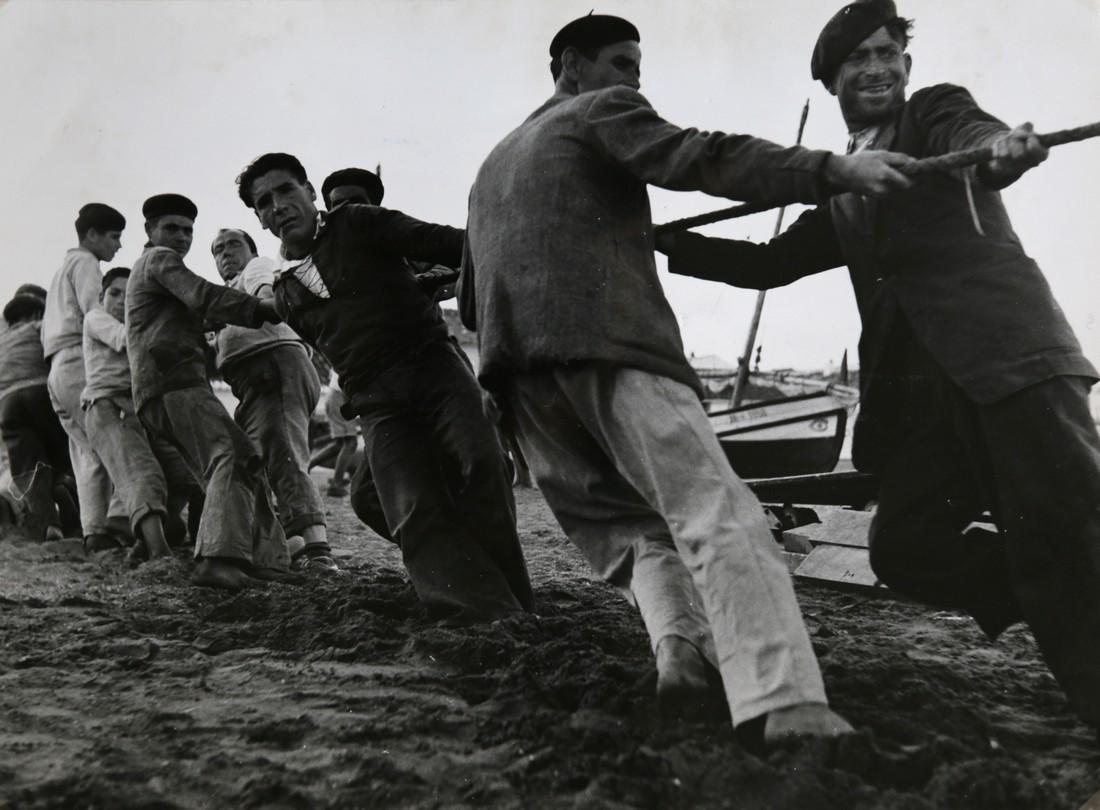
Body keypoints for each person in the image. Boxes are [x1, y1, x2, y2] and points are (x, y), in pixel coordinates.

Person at [460, 12, 916, 744]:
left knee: (635, 536)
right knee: (720, 515)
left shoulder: (491, 167)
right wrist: (831, 170)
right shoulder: (597, 110)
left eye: (638, 65)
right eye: (619, 62)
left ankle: (682, 653)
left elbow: (469, 295)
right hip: (608, 345)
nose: (633, 77)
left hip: (519, 381)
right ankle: (785, 704)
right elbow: (699, 157)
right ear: (571, 67)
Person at [657, 0, 1100, 730]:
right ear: (832, 81)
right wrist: (664, 241)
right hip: (929, 403)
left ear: (907, 65)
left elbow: (979, 139)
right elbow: (770, 264)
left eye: (887, 53)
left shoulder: (931, 114)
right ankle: (1042, 580)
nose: (876, 68)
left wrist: (1003, 150)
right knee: (903, 545)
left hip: (1012, 365)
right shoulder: (848, 185)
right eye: (857, 59)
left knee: (1068, 546)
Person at [236, 152, 533, 621]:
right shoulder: (287, 294)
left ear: (310, 193)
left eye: (286, 191)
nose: (278, 206)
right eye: (264, 202)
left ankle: (517, 599)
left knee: (482, 462)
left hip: (433, 366)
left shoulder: (357, 223)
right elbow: (335, 353)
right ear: (259, 217)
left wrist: (526, 248)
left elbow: (451, 243)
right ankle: (482, 613)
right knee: (409, 508)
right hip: (375, 403)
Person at [127, 193, 291, 589]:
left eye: (187, 230)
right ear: (150, 232)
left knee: (243, 457)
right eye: (171, 228)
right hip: (172, 383)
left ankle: (258, 559)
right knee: (231, 454)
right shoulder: (159, 260)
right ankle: (219, 560)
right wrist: (270, 308)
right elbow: (204, 296)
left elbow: (195, 315)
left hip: (161, 388)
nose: (181, 237)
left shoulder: (153, 273)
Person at [210, 227, 337, 572]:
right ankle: (295, 546)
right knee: (262, 459)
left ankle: (316, 549)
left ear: (250, 249)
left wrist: (258, 301)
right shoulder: (225, 294)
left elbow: (265, 294)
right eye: (217, 250)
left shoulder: (256, 268)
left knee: (282, 453)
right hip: (253, 378)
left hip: (274, 363)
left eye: (233, 244)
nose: (225, 253)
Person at [81, 267, 198, 563]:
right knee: (142, 472)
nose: (121, 300)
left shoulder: (141, 325)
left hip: (141, 409)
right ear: (100, 296)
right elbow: (126, 339)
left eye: (128, 294)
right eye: (114, 293)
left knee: (184, 472)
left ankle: (146, 543)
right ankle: (159, 553)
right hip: (106, 405)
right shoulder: (96, 319)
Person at [42, 203, 131, 551]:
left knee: (86, 450)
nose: (118, 246)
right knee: (112, 442)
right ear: (92, 235)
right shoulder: (86, 263)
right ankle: (118, 523)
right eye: (114, 237)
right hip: (79, 361)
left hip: (55, 367)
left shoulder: (62, 267)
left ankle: (96, 532)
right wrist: (127, 340)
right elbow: (95, 313)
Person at [0, 284, 75, 539]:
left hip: (7, 402)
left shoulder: (2, 339)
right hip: (40, 392)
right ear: (38, 311)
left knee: (29, 467)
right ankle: (66, 493)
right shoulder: (40, 327)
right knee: (63, 454)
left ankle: (49, 526)